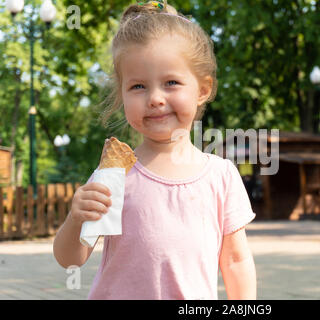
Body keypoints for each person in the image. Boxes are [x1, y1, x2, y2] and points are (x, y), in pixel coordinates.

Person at [53, 1, 257, 300]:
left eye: (171, 82)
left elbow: (236, 260)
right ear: (121, 94)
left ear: (202, 89)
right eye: (138, 87)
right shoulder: (113, 175)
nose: (155, 98)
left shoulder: (221, 176)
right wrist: (76, 219)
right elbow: (70, 259)